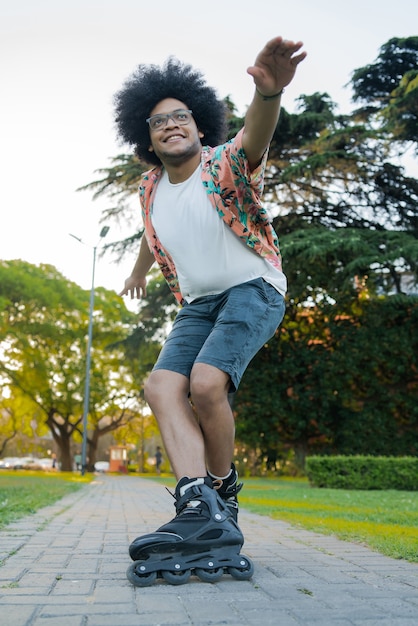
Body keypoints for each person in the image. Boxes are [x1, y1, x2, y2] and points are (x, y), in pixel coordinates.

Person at [117, 36, 306, 585]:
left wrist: (267, 96)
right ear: (147, 139)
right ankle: (197, 505)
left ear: (199, 128)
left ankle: (220, 499)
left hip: (254, 289)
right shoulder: (151, 188)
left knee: (204, 385)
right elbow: (151, 235)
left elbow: (255, 138)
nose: (171, 125)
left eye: (180, 117)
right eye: (158, 122)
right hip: (199, 305)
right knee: (159, 386)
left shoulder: (224, 165)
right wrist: (136, 273)